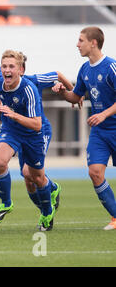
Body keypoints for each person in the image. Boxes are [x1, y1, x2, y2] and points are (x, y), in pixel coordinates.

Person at [0, 52, 75, 222]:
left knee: (30, 175)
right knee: (0, 161)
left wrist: (73, 95)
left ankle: (51, 192)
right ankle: (7, 203)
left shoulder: (31, 84)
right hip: (12, 130)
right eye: (4, 66)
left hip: (35, 133)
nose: (6, 70)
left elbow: (37, 124)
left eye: (11, 66)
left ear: (21, 70)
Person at [52, 26, 116, 230]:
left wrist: (104, 113)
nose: (77, 45)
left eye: (81, 40)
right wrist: (62, 92)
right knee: (95, 172)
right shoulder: (85, 69)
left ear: (93, 43)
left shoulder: (111, 67)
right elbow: (76, 96)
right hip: (99, 132)